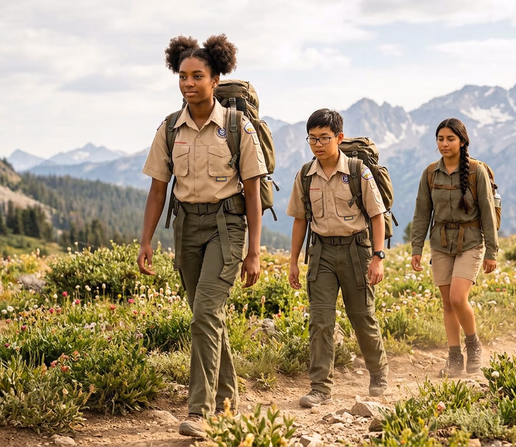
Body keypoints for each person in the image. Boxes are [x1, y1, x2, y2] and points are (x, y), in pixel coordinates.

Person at [137, 34, 267, 439]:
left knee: (204, 316)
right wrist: (146, 241)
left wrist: (254, 251)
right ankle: (229, 401)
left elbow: (253, 191)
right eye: (183, 76)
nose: (189, 83)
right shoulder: (170, 128)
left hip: (228, 227)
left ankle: (200, 411)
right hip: (186, 227)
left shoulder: (236, 126)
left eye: (198, 76)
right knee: (208, 317)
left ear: (216, 80)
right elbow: (159, 188)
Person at [287, 109, 389, 408]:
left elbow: (377, 215)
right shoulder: (305, 175)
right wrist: (293, 260)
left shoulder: (358, 172)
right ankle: (320, 387)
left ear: (339, 138)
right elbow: (299, 220)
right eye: (312, 138)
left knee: (362, 316)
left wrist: (378, 257)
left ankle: (378, 371)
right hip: (321, 253)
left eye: (324, 138)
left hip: (356, 250)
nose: (317, 144)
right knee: (320, 320)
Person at [410, 118, 499, 377]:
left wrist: (491, 252)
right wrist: (417, 248)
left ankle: (473, 346)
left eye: (450, 139)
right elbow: (421, 213)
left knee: (458, 298)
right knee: (447, 303)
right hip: (440, 243)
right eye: (440, 139)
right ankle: (454, 357)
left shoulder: (475, 171)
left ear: (462, 141)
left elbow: (488, 212)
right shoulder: (429, 173)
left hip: (471, 240)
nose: (444, 144)